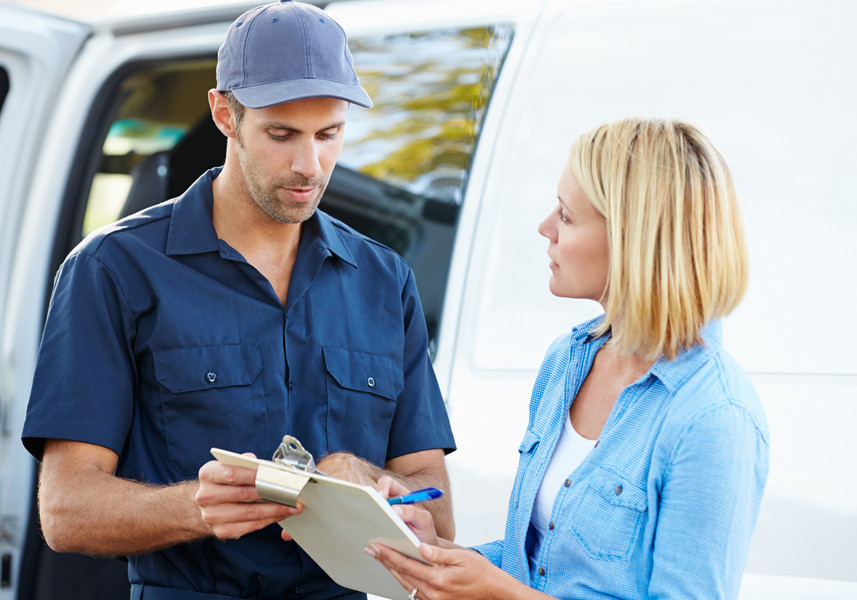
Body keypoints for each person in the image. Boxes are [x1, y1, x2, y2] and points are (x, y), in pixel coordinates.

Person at [20, 1, 456, 599]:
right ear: (224, 113)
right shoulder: (112, 270)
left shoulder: (385, 280)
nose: (310, 165)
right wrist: (196, 508)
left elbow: (435, 502)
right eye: (282, 134)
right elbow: (66, 511)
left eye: (329, 135)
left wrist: (370, 482)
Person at [367, 118, 770, 600]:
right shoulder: (567, 363)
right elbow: (537, 569)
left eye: (566, 215)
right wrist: (441, 556)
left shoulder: (714, 417)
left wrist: (499, 594)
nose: (544, 228)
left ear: (632, 239)